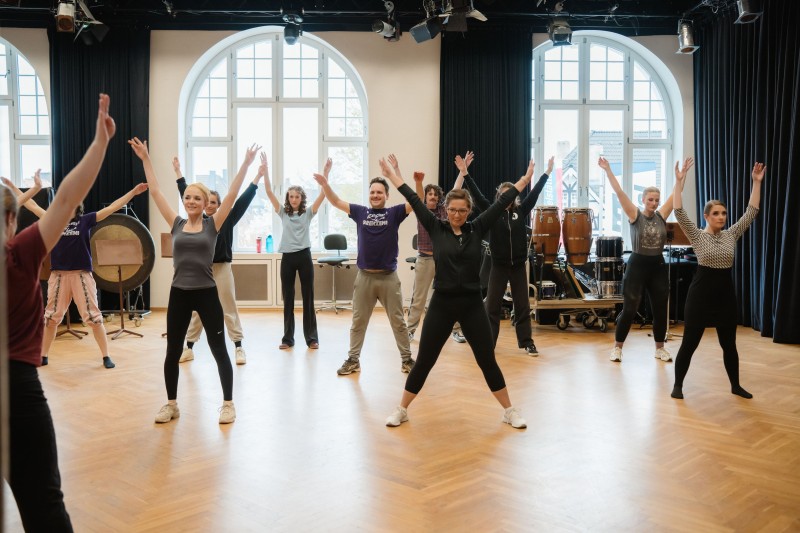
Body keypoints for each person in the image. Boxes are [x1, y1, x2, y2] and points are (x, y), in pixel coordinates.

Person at [2, 92, 115, 532]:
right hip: (17, 392)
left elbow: (67, 202)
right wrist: (99, 144)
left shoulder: (23, 251)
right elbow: (66, 197)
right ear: (12, 222)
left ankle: (103, 352)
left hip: (21, 387)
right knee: (45, 509)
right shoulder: (19, 253)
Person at [381, 155, 534, 429]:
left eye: (462, 210)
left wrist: (525, 179)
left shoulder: (478, 228)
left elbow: (501, 202)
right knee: (424, 361)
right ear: (446, 209)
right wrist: (393, 175)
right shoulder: (436, 227)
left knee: (487, 360)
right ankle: (401, 409)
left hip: (472, 305)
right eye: (452, 210)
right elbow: (413, 199)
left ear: (469, 211)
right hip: (442, 303)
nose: (457, 215)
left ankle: (509, 410)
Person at [129, 137, 259, 424]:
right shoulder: (176, 223)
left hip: (207, 293)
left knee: (218, 350)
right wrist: (146, 159)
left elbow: (233, 193)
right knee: (173, 351)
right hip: (179, 294)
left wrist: (246, 165)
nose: (190, 201)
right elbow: (156, 191)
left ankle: (228, 404)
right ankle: (171, 404)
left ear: (204, 203)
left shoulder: (213, 225)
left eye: (197, 198)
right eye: (187, 197)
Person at [6, 171, 148, 369]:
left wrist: (133, 192)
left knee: (94, 318)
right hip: (58, 276)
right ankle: (43, 355)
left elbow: (113, 207)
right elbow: (32, 205)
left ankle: (106, 356)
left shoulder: (86, 220)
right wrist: (14, 188)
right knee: (51, 318)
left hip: (82, 275)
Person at [670, 161, 764, 400]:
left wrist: (756, 182)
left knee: (729, 345)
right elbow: (679, 211)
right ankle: (678, 385)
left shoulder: (731, 234)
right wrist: (679, 182)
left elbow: (751, 212)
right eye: (716, 213)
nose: (721, 217)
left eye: (723, 213)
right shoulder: (696, 235)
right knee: (689, 343)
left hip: (725, 297)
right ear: (706, 216)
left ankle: (735, 385)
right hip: (700, 297)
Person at [313, 164, 415, 376]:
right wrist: (325, 184)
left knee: (398, 322)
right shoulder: (360, 212)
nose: (375, 195)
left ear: (387, 195)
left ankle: (407, 360)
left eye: (379, 192)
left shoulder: (394, 213)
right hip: (365, 277)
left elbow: (415, 201)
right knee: (358, 322)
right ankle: (353, 360)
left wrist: (396, 175)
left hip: (388, 278)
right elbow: (335, 201)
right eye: (372, 192)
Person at [598, 156, 693, 363]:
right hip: (637, 265)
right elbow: (619, 193)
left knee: (660, 309)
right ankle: (617, 348)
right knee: (630, 308)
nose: (654, 203)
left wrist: (681, 177)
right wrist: (608, 171)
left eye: (657, 200)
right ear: (643, 200)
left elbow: (676, 194)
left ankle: (660, 349)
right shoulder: (635, 215)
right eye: (650, 200)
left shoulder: (661, 215)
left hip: (657, 266)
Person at [457, 153, 553, 356]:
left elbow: (535, 193)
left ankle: (527, 342)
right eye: (504, 195)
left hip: (517, 266)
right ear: (499, 198)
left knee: (522, 306)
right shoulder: (492, 212)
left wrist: (546, 173)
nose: (508, 198)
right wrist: (465, 174)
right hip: (498, 266)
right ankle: (488, 343)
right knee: (491, 306)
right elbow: (477, 195)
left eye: (511, 195)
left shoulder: (521, 211)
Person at [173, 154, 262, 365]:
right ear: (204, 204)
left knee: (229, 308)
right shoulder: (199, 221)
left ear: (219, 205)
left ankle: (238, 347)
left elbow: (242, 200)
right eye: (208, 202)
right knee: (197, 311)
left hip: (222, 269)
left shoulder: (227, 219)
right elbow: (185, 191)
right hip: (202, 270)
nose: (211, 206)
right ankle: (189, 347)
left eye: (214, 203)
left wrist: (257, 177)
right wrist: (178, 172)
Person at [263, 153, 328, 349]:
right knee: (288, 299)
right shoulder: (283, 213)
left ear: (301, 198)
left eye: (297, 196)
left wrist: (325, 174)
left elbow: (323, 195)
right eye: (291, 196)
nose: (293, 199)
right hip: (288, 259)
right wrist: (265, 171)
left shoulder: (308, 213)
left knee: (308, 298)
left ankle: (312, 338)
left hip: (304, 256)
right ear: (288, 198)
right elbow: (268, 191)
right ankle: (287, 339)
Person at [402, 158, 464, 344]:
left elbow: (455, 190)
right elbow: (417, 197)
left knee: (452, 295)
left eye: (435, 195)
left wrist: (462, 172)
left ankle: (456, 330)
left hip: (443, 260)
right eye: (429, 194)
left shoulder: (444, 211)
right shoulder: (421, 211)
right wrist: (419, 183)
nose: (432, 197)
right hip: (424, 260)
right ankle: (410, 330)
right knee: (418, 298)